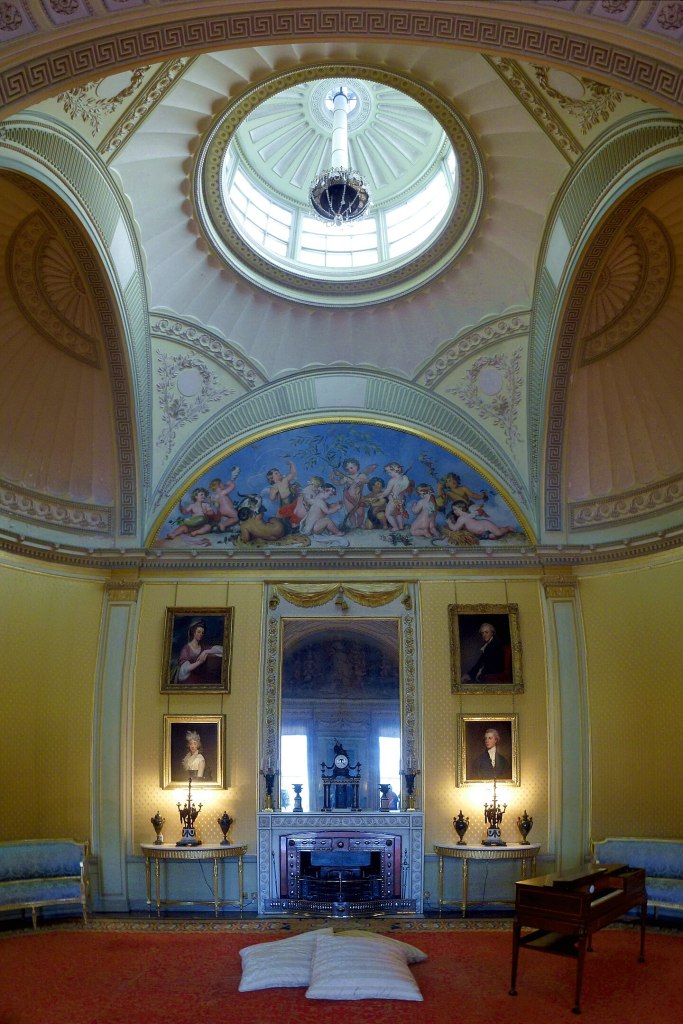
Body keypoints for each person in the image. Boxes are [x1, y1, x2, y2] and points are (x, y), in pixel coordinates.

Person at [176, 619, 223, 686]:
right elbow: (184, 670)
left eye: (202, 633)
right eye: (198, 632)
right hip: (190, 681)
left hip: (202, 680)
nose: (201, 634)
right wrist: (199, 662)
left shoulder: (203, 647)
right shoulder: (186, 649)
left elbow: (222, 650)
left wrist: (206, 651)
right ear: (193, 632)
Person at [333, 457, 377, 528]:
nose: (350, 470)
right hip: (347, 497)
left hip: (358, 497)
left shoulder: (361, 475)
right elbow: (339, 483)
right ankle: (353, 524)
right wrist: (333, 480)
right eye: (347, 469)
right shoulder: (346, 477)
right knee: (351, 512)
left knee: (361, 513)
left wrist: (361, 480)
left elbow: (368, 482)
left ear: (357, 466)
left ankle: (360, 524)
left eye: (351, 468)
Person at [445, 500, 517, 540]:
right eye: (453, 510)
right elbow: (458, 529)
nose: (454, 511)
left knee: (498, 533)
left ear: (460, 509)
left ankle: (507, 528)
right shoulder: (464, 516)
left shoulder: (462, 518)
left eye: (455, 509)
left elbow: (454, 528)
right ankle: (503, 530)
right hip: (482, 533)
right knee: (492, 536)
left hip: (485, 525)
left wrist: (449, 523)